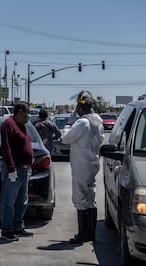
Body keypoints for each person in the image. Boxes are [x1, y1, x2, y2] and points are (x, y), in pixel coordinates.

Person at [60, 90, 104, 245]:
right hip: (93, 162)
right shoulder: (97, 120)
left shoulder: (82, 123)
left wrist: (67, 124)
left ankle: (82, 234)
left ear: (80, 107)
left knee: (80, 198)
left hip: (81, 165)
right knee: (91, 198)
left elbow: (66, 138)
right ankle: (90, 233)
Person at [0, 101, 34, 241]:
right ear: (19, 112)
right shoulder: (8, 125)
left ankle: (18, 227)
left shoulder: (22, 126)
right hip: (14, 169)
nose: (28, 116)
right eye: (27, 113)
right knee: (9, 201)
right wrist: (11, 169)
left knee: (22, 201)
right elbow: (6, 148)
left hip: (25, 169)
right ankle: (7, 230)